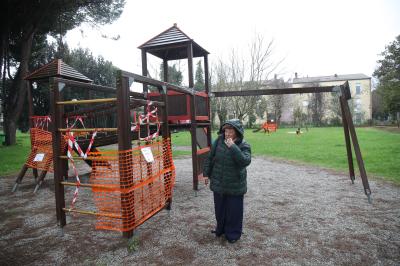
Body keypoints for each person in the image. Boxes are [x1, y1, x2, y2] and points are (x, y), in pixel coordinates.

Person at [203, 119, 251, 243]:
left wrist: (233, 147)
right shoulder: (219, 141)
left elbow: (245, 162)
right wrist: (206, 174)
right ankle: (221, 229)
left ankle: (233, 234)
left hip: (235, 185)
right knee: (220, 209)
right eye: (226, 130)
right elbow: (210, 157)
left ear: (237, 132)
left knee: (234, 211)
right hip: (219, 183)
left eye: (231, 130)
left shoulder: (244, 145)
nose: (227, 133)